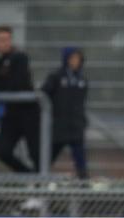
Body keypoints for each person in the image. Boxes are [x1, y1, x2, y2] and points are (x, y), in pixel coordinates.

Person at [0, 26, 40, 173]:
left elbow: (18, 83)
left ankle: (40, 180)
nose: (6, 43)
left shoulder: (20, 57)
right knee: (3, 151)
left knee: (36, 152)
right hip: (10, 113)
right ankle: (28, 175)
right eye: (2, 40)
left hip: (28, 112)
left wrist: (1, 80)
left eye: (8, 39)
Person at [42, 47, 89, 179]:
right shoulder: (56, 77)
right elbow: (44, 95)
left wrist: (82, 121)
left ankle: (84, 185)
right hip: (59, 127)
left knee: (80, 160)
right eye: (72, 58)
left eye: (78, 58)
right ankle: (38, 181)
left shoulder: (82, 80)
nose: (75, 61)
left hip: (76, 127)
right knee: (46, 158)